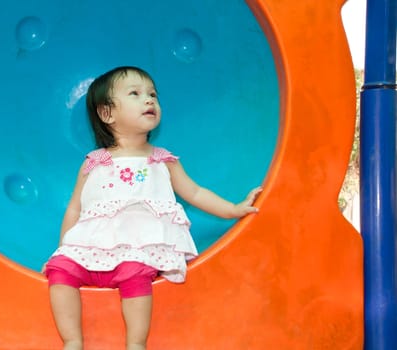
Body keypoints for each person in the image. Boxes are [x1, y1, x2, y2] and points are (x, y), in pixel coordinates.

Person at [43, 66, 262, 350]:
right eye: (135, 94)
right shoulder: (94, 162)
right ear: (107, 113)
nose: (149, 100)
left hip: (138, 249)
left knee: (137, 275)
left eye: (152, 95)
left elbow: (194, 192)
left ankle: (136, 343)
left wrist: (233, 208)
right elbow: (75, 208)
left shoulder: (162, 159)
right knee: (59, 270)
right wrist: (64, 247)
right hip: (90, 247)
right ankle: (72, 340)